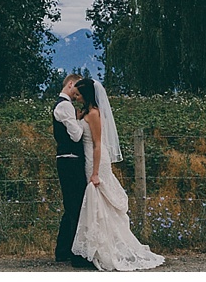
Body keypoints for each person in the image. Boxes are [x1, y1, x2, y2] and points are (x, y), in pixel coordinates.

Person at [70, 78, 165, 271]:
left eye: (78, 95)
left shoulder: (95, 114)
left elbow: (97, 144)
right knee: (96, 202)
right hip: (89, 158)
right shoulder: (86, 113)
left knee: (99, 199)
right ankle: (96, 246)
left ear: (87, 95)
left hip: (96, 160)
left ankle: (104, 247)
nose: (76, 97)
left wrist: (95, 173)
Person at [52, 73, 93, 268]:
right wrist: (81, 121)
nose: (78, 94)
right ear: (70, 84)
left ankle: (63, 251)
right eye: (77, 89)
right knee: (76, 206)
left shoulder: (63, 105)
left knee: (71, 206)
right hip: (70, 159)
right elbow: (76, 136)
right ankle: (76, 254)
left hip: (66, 159)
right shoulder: (65, 105)